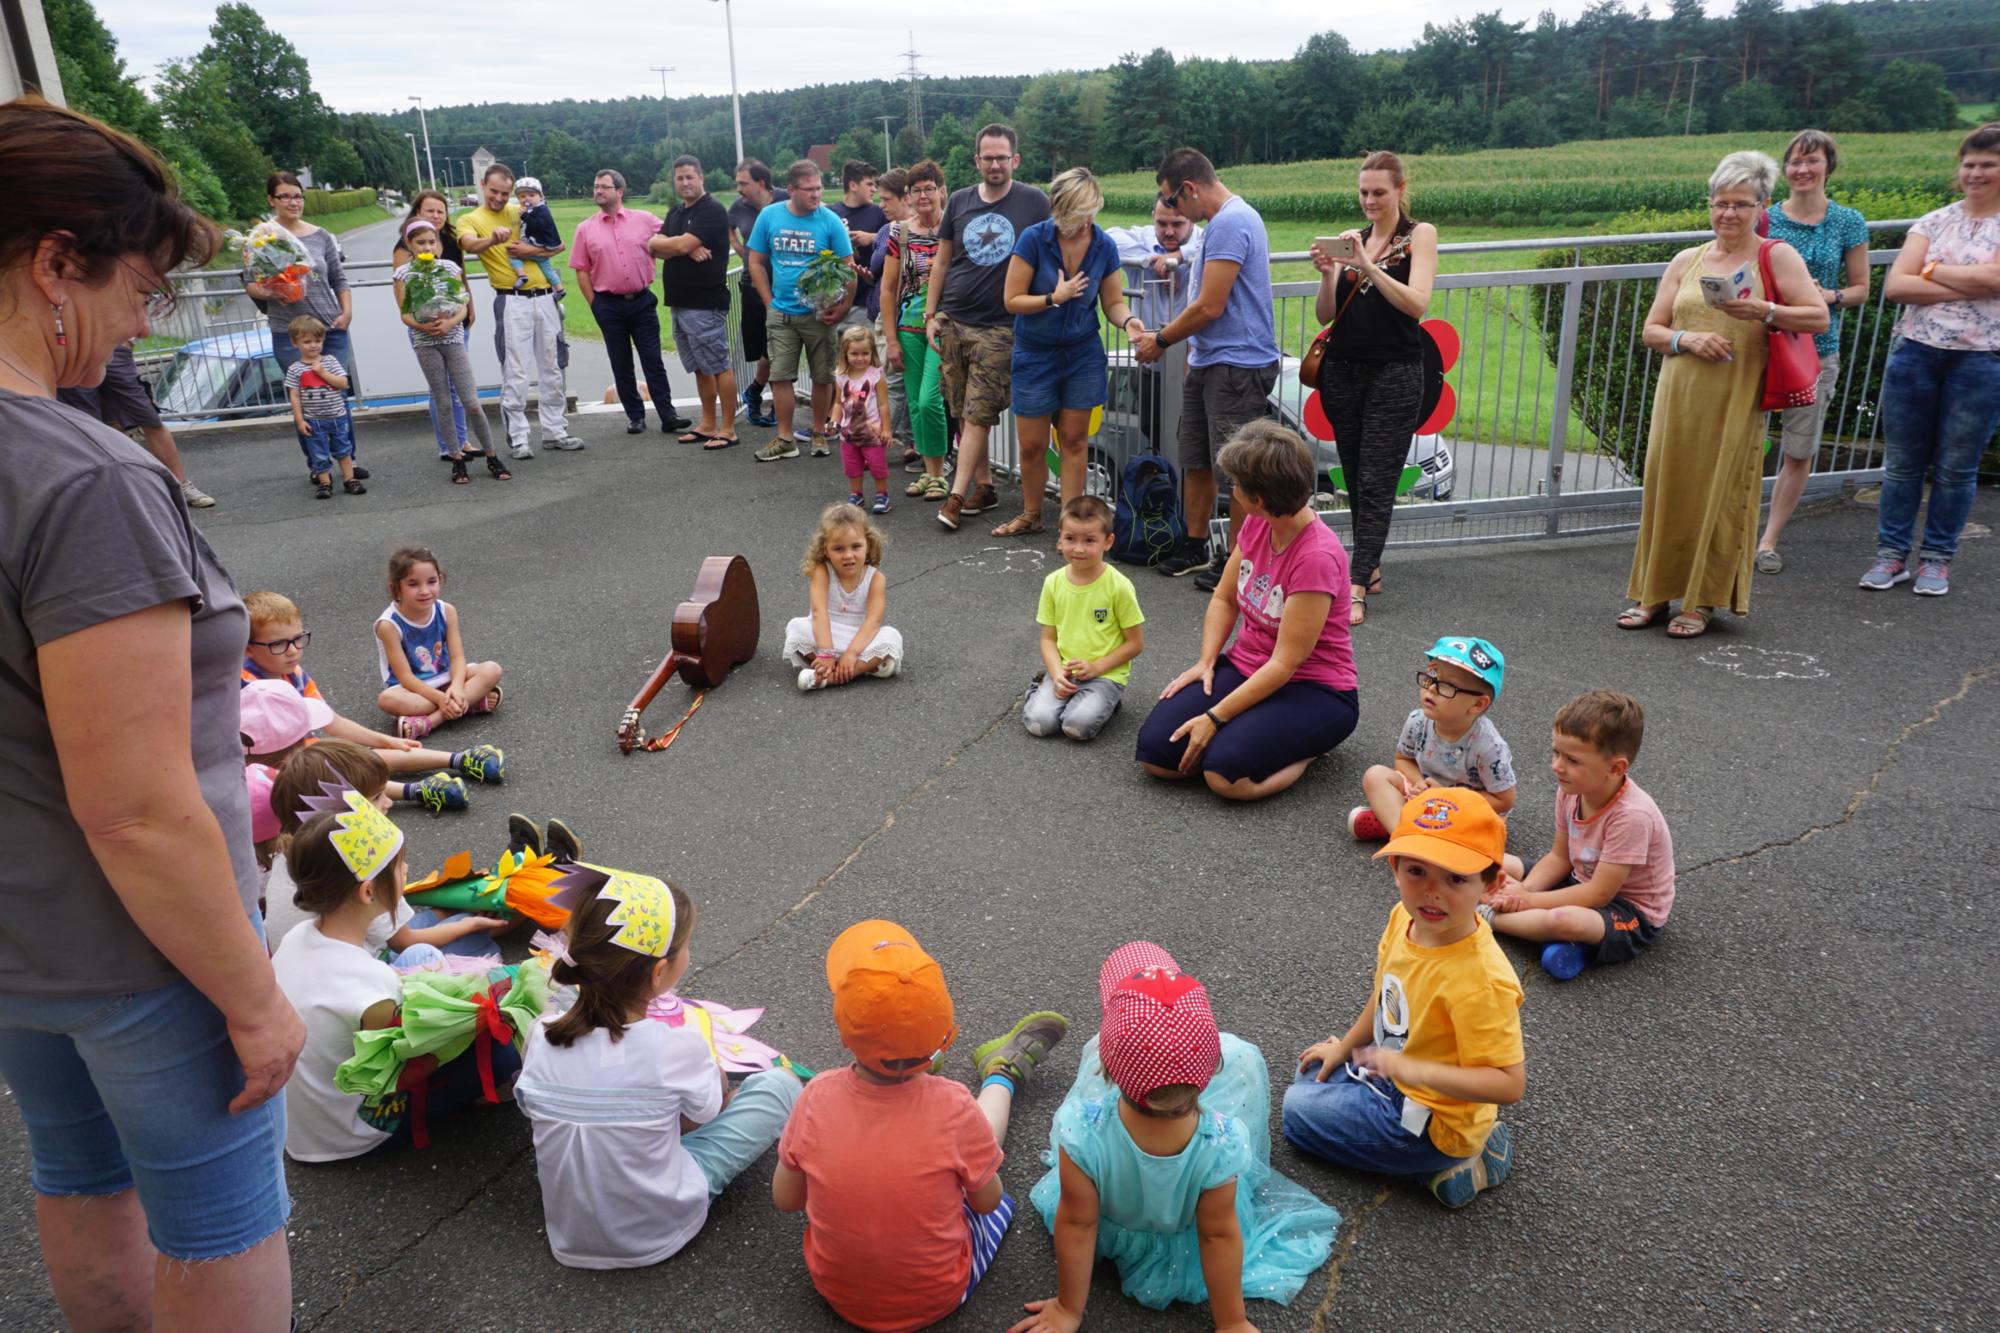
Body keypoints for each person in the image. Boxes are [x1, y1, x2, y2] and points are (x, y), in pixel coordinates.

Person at [0, 99, 300, 1330]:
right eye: (141, 287)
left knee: (76, 1173)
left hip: (22, 942)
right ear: (55, 261)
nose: (142, 323)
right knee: (221, 1221)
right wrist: (251, 996)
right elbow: (132, 807)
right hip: (144, 952)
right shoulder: (82, 471)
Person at [1015, 942, 1339, 1330]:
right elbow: (1218, 1235)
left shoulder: (1080, 1131)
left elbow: (1078, 1223)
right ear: (1208, 1069)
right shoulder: (1222, 1143)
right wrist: (1232, 1323)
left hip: (1106, 1233)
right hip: (1186, 1250)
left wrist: (1069, 1309)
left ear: (1106, 1064)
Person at [773, 920, 1070, 1332]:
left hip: (835, 1290)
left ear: (843, 1034)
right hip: (939, 1294)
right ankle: (998, 1072)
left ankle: (899, 1055)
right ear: (948, 1034)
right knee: (997, 1194)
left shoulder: (816, 1096)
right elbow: (986, 1202)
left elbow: (786, 1199)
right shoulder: (953, 1105)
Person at [515, 867, 804, 1269]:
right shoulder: (678, 1046)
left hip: (568, 1235)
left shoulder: (540, 1036)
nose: (690, 954)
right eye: (685, 947)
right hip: (660, 1229)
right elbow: (707, 1114)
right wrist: (717, 1080)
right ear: (658, 973)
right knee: (780, 1086)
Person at [1283, 791, 1525, 1209]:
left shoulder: (1481, 980)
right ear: (1394, 868)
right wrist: (1345, 1047)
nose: (1432, 893)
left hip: (1435, 1119)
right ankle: (1452, 1148)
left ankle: (1449, 1164)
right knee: (1310, 1077)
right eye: (1417, 871)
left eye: (1455, 878)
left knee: (1296, 1114)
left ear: (1492, 884)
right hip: (1396, 1076)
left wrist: (1409, 1067)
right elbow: (1384, 995)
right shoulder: (1403, 918)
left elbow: (1509, 1083)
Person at [1622, 151, 1826, 638]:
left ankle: (1701, 601)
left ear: (1763, 205)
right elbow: (1652, 329)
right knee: (1666, 489)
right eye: (1720, 203)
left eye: (1740, 203)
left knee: (1720, 494)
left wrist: (1765, 311)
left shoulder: (1776, 256)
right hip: (1679, 394)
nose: (1728, 213)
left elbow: (1818, 317)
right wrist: (1685, 339)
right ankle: (1653, 593)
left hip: (1736, 397)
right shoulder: (1687, 260)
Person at [271, 787, 520, 1161]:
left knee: (420, 954)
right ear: (368, 892)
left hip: (301, 1129)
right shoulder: (372, 986)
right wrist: (480, 1020)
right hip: (354, 1134)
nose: (407, 870)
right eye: (400, 866)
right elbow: (406, 1072)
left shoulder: (296, 938)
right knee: (508, 1031)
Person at [1136, 422, 1360, 801]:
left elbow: (1285, 664)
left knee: (1225, 779)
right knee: (1157, 756)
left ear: (1261, 497)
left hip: (1315, 688)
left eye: (1237, 484)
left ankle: (1307, 751)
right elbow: (1224, 598)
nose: (1231, 490)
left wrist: (1215, 718)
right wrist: (1206, 661)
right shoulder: (1258, 524)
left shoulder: (1316, 556)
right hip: (1247, 666)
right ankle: (1251, 734)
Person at [1863, 122, 2000, 599]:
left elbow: (1998, 282)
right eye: (1970, 164)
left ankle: (1937, 560)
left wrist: (1935, 270)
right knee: (1901, 463)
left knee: (1957, 468)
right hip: (1916, 353)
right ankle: (1891, 555)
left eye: (1988, 164)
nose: (1976, 173)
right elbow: (1897, 286)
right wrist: (1975, 277)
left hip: (1981, 360)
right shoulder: (1934, 221)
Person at [1133, 149, 1281, 585]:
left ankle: (1238, 561)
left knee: (1237, 469)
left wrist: (1161, 340)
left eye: (1173, 202)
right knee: (1195, 456)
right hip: (1211, 360)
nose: (1174, 213)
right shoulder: (1224, 223)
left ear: (1190, 189)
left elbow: (1211, 305)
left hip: (1237, 364)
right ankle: (1196, 545)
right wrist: (1187, 349)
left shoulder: (1232, 223)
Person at [1308, 151, 1440, 624]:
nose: (1369, 201)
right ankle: (1372, 565)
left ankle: (1356, 582)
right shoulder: (1354, 240)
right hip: (1343, 368)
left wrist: (1366, 265)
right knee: (1355, 472)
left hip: (1395, 370)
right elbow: (1326, 315)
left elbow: (1416, 303)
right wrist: (1329, 275)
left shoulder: (1417, 235)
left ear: (1401, 189)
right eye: (1364, 192)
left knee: (1378, 478)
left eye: (1379, 192)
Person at [1483, 690, 1676, 983]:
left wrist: (1525, 899)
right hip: (1579, 877)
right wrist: (1528, 891)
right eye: (1556, 752)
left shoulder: (1633, 816)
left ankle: (1486, 917)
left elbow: (1599, 894)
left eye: (1572, 760)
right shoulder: (1570, 790)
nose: (1557, 766)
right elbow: (1560, 857)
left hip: (1627, 909)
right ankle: (1538, 930)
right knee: (1489, 859)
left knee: (1566, 921)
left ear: (1615, 768)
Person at [242, 590, 500, 805]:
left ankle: (460, 759)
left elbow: (333, 722)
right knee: (332, 771)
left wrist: (388, 741)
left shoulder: (293, 673)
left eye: (298, 639)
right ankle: (418, 790)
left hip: (303, 751)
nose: (293, 651)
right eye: (279, 644)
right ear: (248, 648)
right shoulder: (246, 687)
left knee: (360, 756)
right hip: (269, 767)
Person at [994, 167, 1142, 536]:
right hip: (1035, 352)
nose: (1084, 222)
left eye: (1090, 213)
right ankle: (1031, 513)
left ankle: (1068, 525)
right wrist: (1052, 298)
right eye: (1076, 215)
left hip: (1082, 354)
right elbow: (1012, 300)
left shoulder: (1103, 245)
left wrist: (1129, 322)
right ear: (1059, 209)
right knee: (1032, 444)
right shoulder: (1033, 239)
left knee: (1075, 441)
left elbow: (1112, 303)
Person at [268, 746, 508, 963]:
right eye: (375, 797)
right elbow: (404, 942)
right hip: (373, 975)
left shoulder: (292, 853)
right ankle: (515, 899)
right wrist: (469, 925)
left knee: (443, 913)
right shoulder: (358, 860)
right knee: (475, 923)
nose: (389, 802)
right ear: (338, 817)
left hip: (331, 966)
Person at [926, 124, 1052, 531]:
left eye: (1002, 157)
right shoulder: (960, 201)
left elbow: (1055, 248)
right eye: (987, 157)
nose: (995, 164)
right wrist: (932, 314)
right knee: (961, 407)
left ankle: (955, 497)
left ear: (1015, 160)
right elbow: (942, 262)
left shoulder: (1034, 201)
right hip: (955, 320)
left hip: (1002, 326)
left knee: (978, 412)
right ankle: (985, 485)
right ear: (976, 160)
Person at [1755, 130, 1870, 574]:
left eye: (1812, 161)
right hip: (1760, 344)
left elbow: (1861, 288)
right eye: (1795, 162)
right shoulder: (1764, 218)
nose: (1802, 170)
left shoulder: (1847, 221)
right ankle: (1739, 527)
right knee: (1745, 440)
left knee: (1799, 450)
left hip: (1815, 350)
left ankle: (1769, 539)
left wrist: (1830, 297)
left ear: (1828, 166)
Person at [1349, 636, 1520, 880]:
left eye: (1447, 686)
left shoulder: (1488, 746)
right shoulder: (1418, 720)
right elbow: (1402, 760)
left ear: (1477, 705)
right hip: (1424, 795)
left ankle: (1401, 827)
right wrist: (1418, 781)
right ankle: (1408, 839)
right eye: (1432, 676)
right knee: (1375, 775)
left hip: (1464, 809)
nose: (1431, 688)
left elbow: (1504, 800)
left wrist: (1447, 796)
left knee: (1492, 831)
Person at [456, 162, 582, 460]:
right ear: (483, 184)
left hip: (545, 297)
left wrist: (531, 252)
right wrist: (493, 240)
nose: (500, 198)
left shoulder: (522, 209)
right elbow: (469, 244)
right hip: (512, 300)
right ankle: (519, 438)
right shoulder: (470, 218)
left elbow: (558, 245)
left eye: (505, 193)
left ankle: (555, 431)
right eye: (495, 192)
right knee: (516, 370)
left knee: (552, 367)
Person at [747, 160, 856, 461]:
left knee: (822, 376)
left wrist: (843, 308)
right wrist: (769, 302)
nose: (816, 195)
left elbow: (850, 270)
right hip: (781, 313)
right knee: (780, 376)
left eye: (819, 188)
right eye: (809, 190)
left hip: (819, 315)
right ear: (791, 189)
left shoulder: (830, 221)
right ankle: (785, 438)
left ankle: (819, 432)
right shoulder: (770, 216)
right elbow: (755, 261)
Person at [568, 167, 686, 438]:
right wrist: (594, 305)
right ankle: (635, 416)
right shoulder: (585, 229)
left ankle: (668, 415)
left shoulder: (644, 220)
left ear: (619, 192)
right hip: (608, 304)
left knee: (652, 360)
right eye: (596, 186)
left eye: (604, 187)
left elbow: (671, 237)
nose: (597, 191)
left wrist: (695, 241)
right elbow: (581, 270)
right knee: (621, 363)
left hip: (642, 301)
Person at [1024, 496, 1146, 743]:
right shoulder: (1053, 582)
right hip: (1066, 671)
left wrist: (1097, 668)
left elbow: (1135, 644)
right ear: (1060, 538)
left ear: (1108, 541)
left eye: (1089, 540)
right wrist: (1057, 673)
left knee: (1076, 728)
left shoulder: (1119, 587)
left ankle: (1107, 702)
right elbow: (1048, 639)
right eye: (1070, 539)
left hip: (1105, 675)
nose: (1078, 548)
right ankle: (1044, 685)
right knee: (1039, 724)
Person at [393, 219, 497, 483]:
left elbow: (462, 303)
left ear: (437, 242)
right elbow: (405, 313)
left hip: (453, 338)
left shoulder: (449, 267)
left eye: (431, 241)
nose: (427, 246)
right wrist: (424, 326)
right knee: (443, 401)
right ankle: (456, 457)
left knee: (471, 401)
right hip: (425, 342)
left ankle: (492, 455)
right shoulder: (404, 274)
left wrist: (451, 322)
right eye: (420, 243)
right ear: (410, 245)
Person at [57, 342, 216, 506]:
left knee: (150, 419)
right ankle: (99, 494)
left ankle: (180, 485)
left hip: (111, 349)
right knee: (85, 427)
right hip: (72, 352)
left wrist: (125, 343)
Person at [650, 156, 739, 447]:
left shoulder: (712, 210)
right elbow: (653, 246)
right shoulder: (675, 211)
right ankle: (708, 423)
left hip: (704, 304)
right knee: (700, 367)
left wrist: (680, 245)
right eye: (679, 178)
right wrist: (683, 248)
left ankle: (727, 429)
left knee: (718, 365)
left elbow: (675, 244)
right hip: (680, 303)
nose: (685, 183)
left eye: (690, 177)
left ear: (701, 178)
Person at [374, 545, 505, 740]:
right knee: (387, 700)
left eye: (431, 581)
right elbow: (406, 677)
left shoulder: (447, 611)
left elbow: (458, 657)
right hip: (412, 690)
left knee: (492, 669)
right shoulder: (388, 625)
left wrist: (458, 687)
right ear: (395, 588)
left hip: (447, 679)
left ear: (440, 579)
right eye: (413, 584)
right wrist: (441, 698)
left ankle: (430, 722)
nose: (425, 591)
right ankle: (469, 703)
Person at [245, 170, 356, 393]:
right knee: (304, 398)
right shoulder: (260, 237)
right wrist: (275, 291)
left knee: (337, 396)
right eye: (284, 197)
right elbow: (250, 284)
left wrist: (347, 313)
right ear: (271, 200)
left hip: (329, 328)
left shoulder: (321, 235)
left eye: (297, 196)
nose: (293, 202)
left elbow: (338, 279)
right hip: (289, 333)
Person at [1107, 198, 1203, 453]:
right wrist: (1154, 259)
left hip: (1193, 366)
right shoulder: (1141, 238)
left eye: (1177, 224)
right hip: (1151, 367)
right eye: (1161, 223)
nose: (1169, 231)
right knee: (1158, 437)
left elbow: (1218, 246)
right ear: (1152, 217)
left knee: (1192, 442)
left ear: (1191, 219)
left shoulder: (1203, 241)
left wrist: (1181, 257)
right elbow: (1108, 239)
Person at [883, 159, 950, 501]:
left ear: (942, 191)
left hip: (942, 328)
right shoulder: (901, 232)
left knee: (929, 400)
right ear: (908, 196)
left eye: (929, 189)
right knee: (914, 402)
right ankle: (929, 471)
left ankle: (939, 473)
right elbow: (888, 287)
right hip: (908, 327)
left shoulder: (955, 229)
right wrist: (891, 339)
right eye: (915, 190)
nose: (923, 196)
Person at [784, 501, 904, 691]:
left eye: (856, 547)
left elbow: (873, 621)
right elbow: (818, 612)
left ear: (868, 545)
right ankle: (861, 669)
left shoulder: (876, 578)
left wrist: (851, 654)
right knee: (796, 628)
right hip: (826, 635)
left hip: (859, 639)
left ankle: (828, 677)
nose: (848, 555)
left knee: (891, 636)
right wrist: (826, 652)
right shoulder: (822, 571)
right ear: (825, 549)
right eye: (839, 549)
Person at [730, 159, 786, 427]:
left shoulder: (787, 199)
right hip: (753, 286)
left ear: (761, 183)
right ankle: (766, 399)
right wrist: (742, 252)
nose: (738, 189)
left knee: (780, 348)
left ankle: (762, 396)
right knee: (767, 347)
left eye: (743, 183)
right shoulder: (738, 208)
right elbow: (727, 226)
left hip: (785, 286)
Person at [284, 315, 363, 499]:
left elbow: (343, 383)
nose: (313, 345)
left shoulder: (330, 362)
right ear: (295, 343)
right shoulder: (295, 369)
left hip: (337, 416)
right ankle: (325, 483)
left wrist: (322, 373)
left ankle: (349, 479)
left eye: (318, 341)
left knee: (344, 449)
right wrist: (299, 420)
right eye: (307, 341)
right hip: (314, 420)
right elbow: (294, 395)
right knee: (318, 453)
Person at [869, 168, 915, 465]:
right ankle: (912, 443)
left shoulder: (911, 232)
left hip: (902, 316)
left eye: (886, 199)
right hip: (881, 313)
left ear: (905, 198)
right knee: (895, 381)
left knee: (893, 384)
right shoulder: (887, 230)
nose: (881, 205)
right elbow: (879, 273)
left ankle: (875, 443)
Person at [830, 324, 895, 513]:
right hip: (848, 434)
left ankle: (882, 494)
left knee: (877, 465)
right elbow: (837, 403)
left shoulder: (876, 376)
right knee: (852, 466)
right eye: (855, 354)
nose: (860, 358)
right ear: (845, 354)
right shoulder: (841, 377)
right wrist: (834, 422)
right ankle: (856, 493)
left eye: (865, 353)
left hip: (872, 434)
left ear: (872, 352)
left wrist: (886, 429)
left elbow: (883, 404)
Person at [828, 159, 888, 332]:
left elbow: (899, 234)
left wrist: (872, 237)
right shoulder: (831, 214)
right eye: (869, 184)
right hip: (835, 300)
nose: (874, 189)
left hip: (865, 302)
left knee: (863, 357)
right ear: (853, 185)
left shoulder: (878, 212)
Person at [509, 177, 566, 293]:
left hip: (539, 243)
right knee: (546, 266)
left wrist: (524, 216)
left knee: (513, 254)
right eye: (522, 196)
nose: (527, 199)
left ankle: (522, 276)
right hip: (544, 244)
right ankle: (560, 290)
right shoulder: (534, 209)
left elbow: (537, 225)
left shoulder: (541, 210)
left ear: (540, 196)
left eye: (531, 195)